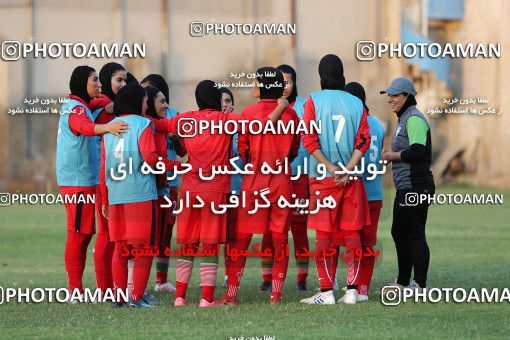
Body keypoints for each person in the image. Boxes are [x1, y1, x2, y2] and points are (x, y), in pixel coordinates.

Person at [151, 80, 289, 307]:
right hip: (215, 191)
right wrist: (281, 106)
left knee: (187, 243)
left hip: (190, 189)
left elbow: (158, 125)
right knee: (210, 245)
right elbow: (262, 126)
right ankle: (206, 298)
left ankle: (179, 297)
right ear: (216, 99)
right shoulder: (225, 120)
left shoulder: (186, 119)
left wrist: (127, 115)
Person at [219, 67, 300, 305]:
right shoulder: (291, 116)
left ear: (263, 86)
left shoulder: (248, 113)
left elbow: (243, 150)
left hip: (255, 183)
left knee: (242, 239)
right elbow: (294, 151)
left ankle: (232, 295)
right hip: (281, 183)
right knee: (280, 240)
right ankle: (276, 295)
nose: (252, 86)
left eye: (255, 83)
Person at [100, 83, 183, 308]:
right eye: (145, 100)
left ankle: (119, 298)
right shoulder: (143, 123)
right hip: (139, 193)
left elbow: (104, 166)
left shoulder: (109, 127)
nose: (147, 104)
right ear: (137, 101)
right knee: (144, 248)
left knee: (121, 247)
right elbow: (150, 157)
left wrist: (105, 199)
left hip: (116, 194)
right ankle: (136, 297)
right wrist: (177, 165)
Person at [300, 54, 371, 305]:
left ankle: (326, 292)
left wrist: (331, 168)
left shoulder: (313, 102)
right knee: (352, 235)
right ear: (342, 74)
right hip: (351, 179)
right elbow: (364, 140)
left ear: (321, 75)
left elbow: (309, 141)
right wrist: (347, 169)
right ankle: (351, 292)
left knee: (324, 237)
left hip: (322, 179)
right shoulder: (356, 103)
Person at [56, 65, 128, 299]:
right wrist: (108, 127)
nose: (99, 84)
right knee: (78, 233)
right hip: (77, 182)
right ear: (81, 83)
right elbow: (84, 128)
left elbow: (96, 107)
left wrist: (105, 103)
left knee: (85, 233)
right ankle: (74, 289)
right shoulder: (76, 110)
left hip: (83, 180)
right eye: (95, 80)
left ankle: (79, 287)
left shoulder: (83, 106)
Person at [259, 64, 310, 292]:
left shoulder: (305, 108)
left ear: (294, 83)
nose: (285, 86)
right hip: (270, 179)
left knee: (299, 229)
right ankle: (267, 278)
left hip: (297, 177)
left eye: (288, 81)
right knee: (269, 231)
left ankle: (302, 278)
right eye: (281, 82)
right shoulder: (262, 108)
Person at [380, 77, 435, 293]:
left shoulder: (414, 119)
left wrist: (390, 156)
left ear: (407, 96)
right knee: (399, 232)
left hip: (416, 186)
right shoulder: (403, 119)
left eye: (395, 95)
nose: (390, 99)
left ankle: (419, 284)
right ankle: (404, 282)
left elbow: (417, 151)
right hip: (406, 187)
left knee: (413, 234)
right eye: (389, 95)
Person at [141, 74, 185, 293]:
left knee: (166, 232)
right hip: (147, 182)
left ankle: (161, 279)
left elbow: (183, 152)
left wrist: (176, 137)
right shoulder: (140, 120)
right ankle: (138, 283)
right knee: (148, 233)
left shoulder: (174, 115)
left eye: (149, 92)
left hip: (171, 182)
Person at [344, 81, 385, 302]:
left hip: (355, 192)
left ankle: (352, 285)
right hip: (375, 192)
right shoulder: (378, 125)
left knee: (352, 241)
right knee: (368, 243)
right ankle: (363, 290)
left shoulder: (352, 125)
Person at [88, 62, 127, 294]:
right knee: (106, 233)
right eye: (118, 80)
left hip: (120, 175)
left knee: (118, 235)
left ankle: (118, 286)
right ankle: (104, 288)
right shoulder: (101, 106)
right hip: (103, 177)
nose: (122, 85)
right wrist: (104, 102)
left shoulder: (116, 106)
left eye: (125, 80)